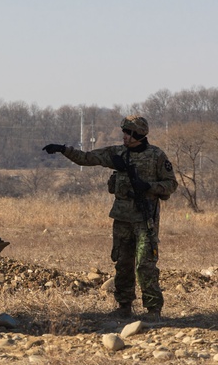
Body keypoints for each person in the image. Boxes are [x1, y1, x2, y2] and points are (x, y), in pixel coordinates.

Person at [43, 115, 177, 320]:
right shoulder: (117, 153)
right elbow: (87, 158)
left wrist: (149, 187)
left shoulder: (156, 155)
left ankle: (153, 309)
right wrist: (63, 149)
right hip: (122, 218)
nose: (124, 136)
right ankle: (124, 306)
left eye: (127, 132)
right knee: (123, 262)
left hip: (144, 219)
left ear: (138, 134)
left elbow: (171, 184)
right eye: (123, 132)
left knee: (145, 263)